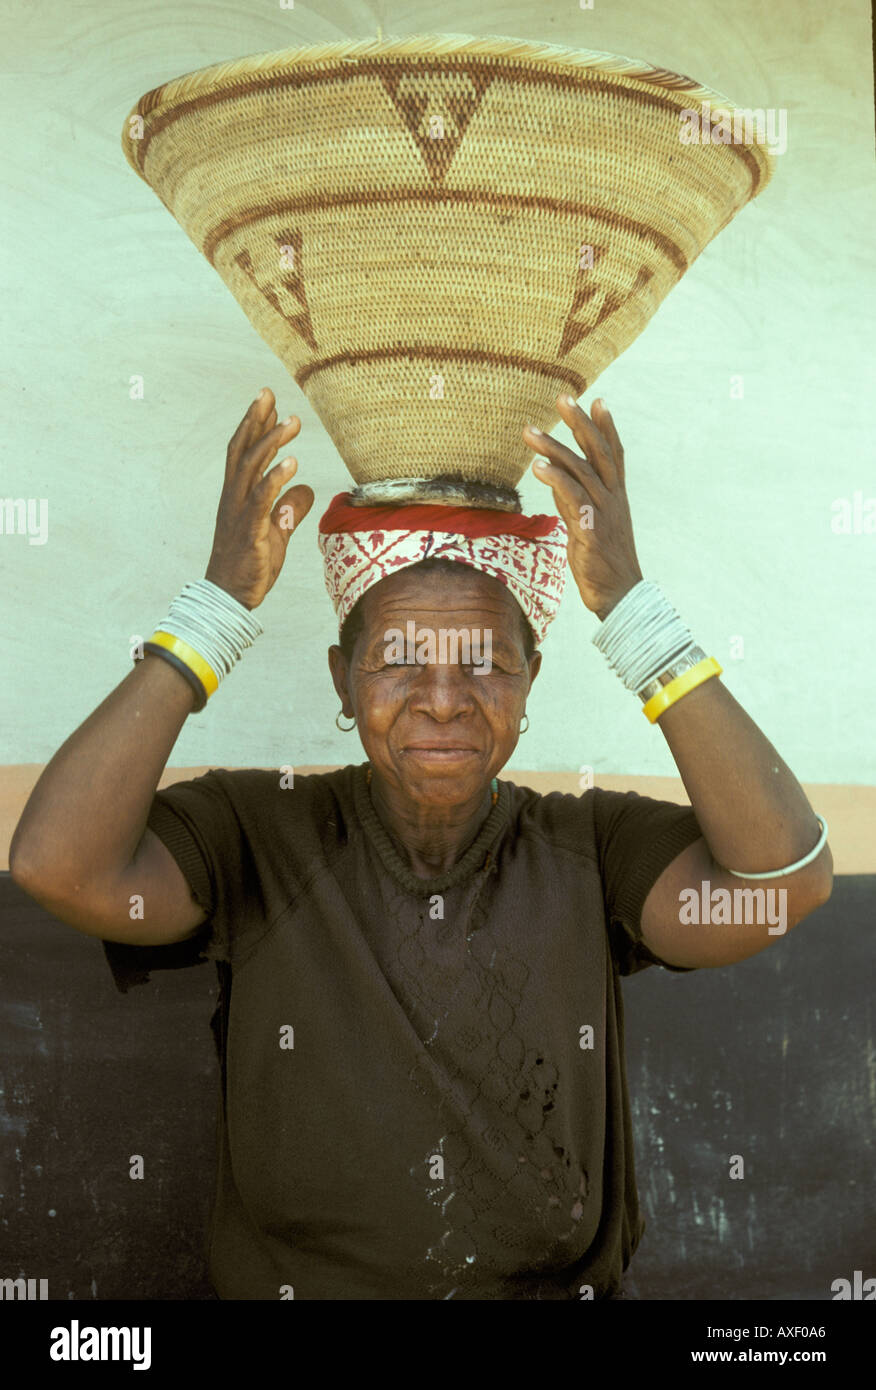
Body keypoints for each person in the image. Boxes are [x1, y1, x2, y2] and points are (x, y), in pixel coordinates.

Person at [9, 388, 833, 1300]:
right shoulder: (259, 831)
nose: (444, 698)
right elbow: (60, 866)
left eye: (484, 661)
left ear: (528, 685)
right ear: (344, 676)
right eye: (400, 657)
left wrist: (631, 608)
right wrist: (217, 607)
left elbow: (784, 881)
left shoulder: (589, 847)